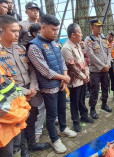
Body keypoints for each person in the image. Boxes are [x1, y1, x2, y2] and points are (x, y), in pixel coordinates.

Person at [0, 15, 51, 157]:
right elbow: (3, 80)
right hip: (13, 96)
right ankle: (24, 150)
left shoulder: (21, 48)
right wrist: (25, 91)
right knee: (18, 124)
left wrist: (33, 87)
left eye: (18, 31)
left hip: (30, 90)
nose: (17, 34)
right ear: (2, 31)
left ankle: (32, 143)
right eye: (13, 31)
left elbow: (32, 69)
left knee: (31, 119)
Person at [27, 14, 77, 154]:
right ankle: (55, 140)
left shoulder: (54, 43)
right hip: (49, 87)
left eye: (57, 29)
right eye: (53, 29)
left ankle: (63, 129)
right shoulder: (34, 46)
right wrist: (63, 77)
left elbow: (61, 61)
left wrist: (65, 77)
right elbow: (44, 70)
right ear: (43, 27)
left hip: (61, 83)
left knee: (62, 108)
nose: (56, 32)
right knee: (51, 114)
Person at [61, 23, 94, 132]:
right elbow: (72, 67)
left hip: (83, 78)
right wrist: (84, 76)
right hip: (74, 80)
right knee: (74, 102)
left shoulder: (78, 45)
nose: (81, 34)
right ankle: (75, 121)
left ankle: (83, 115)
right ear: (73, 34)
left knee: (82, 99)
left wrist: (87, 73)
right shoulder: (66, 48)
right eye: (79, 32)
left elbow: (83, 61)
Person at [0, 60, 31, 157]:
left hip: (16, 123)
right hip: (4, 131)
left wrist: (25, 108)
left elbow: (15, 89)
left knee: (16, 150)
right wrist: (24, 113)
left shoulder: (2, 65)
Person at [84, 19, 112, 119]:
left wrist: (108, 64)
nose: (100, 28)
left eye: (101, 26)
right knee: (94, 90)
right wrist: (102, 66)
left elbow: (109, 52)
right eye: (97, 26)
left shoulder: (104, 38)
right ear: (92, 27)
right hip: (95, 71)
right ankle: (92, 109)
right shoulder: (88, 40)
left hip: (105, 70)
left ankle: (104, 104)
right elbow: (91, 55)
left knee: (105, 88)